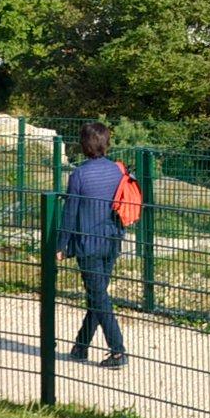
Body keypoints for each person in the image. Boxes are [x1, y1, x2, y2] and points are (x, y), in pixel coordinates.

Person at [58, 121, 129, 369]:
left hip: (88, 245)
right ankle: (81, 346)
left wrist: (61, 245)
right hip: (112, 241)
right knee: (97, 296)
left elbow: (70, 213)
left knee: (98, 296)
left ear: (84, 144)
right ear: (106, 142)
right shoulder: (118, 171)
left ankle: (118, 351)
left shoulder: (79, 174)